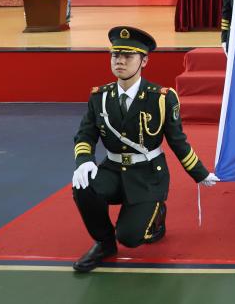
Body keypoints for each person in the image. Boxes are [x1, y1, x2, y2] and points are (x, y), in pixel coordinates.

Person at [70, 26, 219, 273]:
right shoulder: (100, 97)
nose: (119, 61)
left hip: (148, 174)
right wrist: (84, 160)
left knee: (130, 237)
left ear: (144, 61)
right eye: (115, 55)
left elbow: (177, 141)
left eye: (128, 56)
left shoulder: (161, 98)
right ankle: (104, 244)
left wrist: (200, 173)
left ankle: (157, 215)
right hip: (113, 168)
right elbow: (85, 133)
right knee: (83, 186)